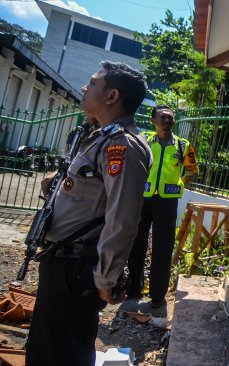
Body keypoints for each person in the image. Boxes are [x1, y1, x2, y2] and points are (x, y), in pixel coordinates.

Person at [25, 61, 152, 366]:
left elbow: (122, 218)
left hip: (78, 268)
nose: (84, 88)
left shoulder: (122, 146)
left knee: (62, 353)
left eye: (93, 83)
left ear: (111, 96)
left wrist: (106, 277)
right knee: (45, 348)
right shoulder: (97, 137)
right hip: (61, 260)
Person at [124, 104, 198, 316]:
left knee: (163, 249)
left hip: (167, 202)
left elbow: (193, 170)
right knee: (136, 244)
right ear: (153, 120)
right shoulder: (145, 140)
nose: (167, 120)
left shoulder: (183, 146)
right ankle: (133, 291)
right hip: (144, 199)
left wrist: (180, 183)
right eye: (163, 117)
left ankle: (157, 298)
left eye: (171, 117)